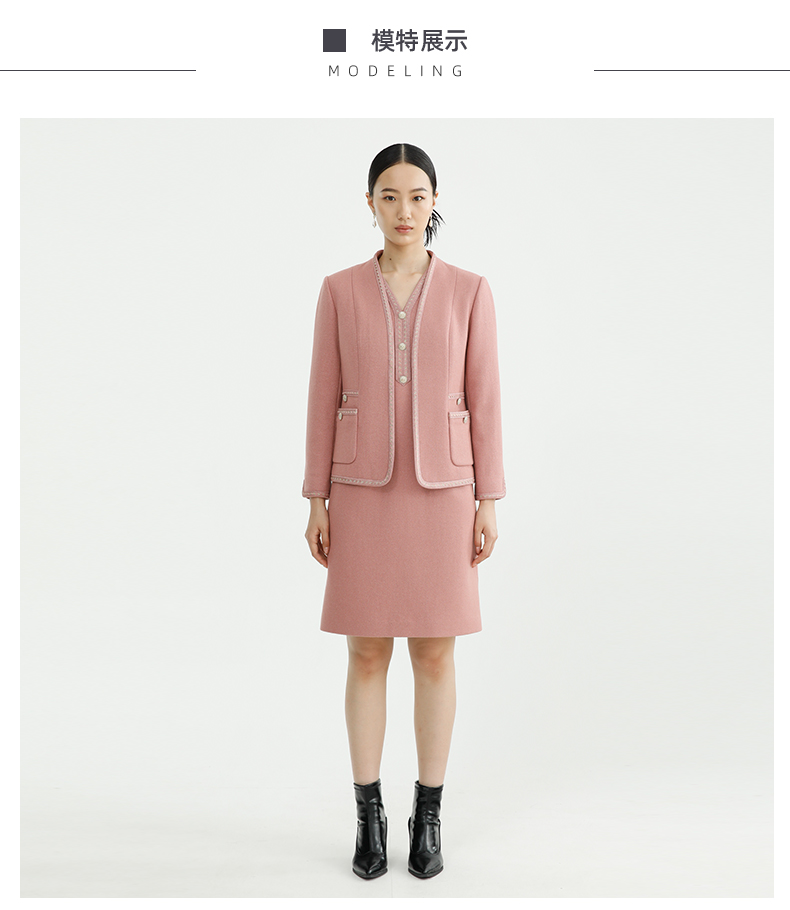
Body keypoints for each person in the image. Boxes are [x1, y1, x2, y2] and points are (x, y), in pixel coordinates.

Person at [302, 143, 506, 880]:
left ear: (435, 201)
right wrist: (317, 497)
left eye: (417, 196)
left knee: (434, 653)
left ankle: (429, 813)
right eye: (389, 197)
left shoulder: (470, 291)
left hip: (444, 491)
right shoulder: (338, 291)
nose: (404, 211)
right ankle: (368, 815)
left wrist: (488, 498)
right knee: (365, 652)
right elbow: (323, 395)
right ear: (370, 204)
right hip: (360, 490)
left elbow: (484, 398)